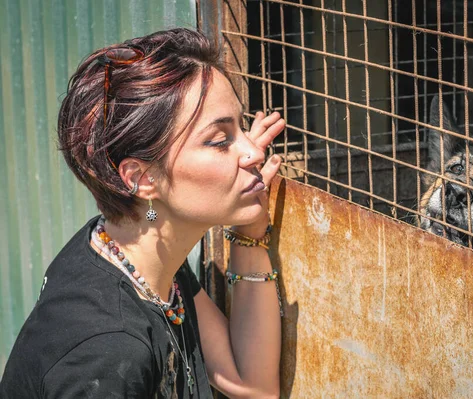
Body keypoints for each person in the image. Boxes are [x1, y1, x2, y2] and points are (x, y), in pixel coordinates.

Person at [0, 28, 284, 398]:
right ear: (142, 180)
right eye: (219, 141)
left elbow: (252, 384)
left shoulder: (136, 251)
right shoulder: (106, 354)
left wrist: (249, 230)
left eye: (241, 128)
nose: (254, 152)